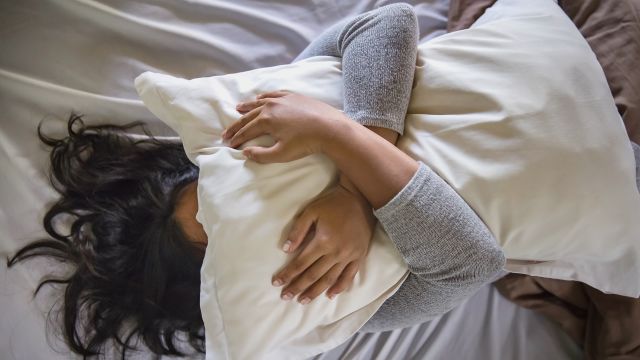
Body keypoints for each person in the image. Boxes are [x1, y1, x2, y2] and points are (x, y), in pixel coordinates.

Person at [8, 4, 507, 358]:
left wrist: (350, 185)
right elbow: (473, 266)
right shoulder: (338, 302)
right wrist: (344, 147)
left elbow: (387, 23)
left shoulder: (272, 129)